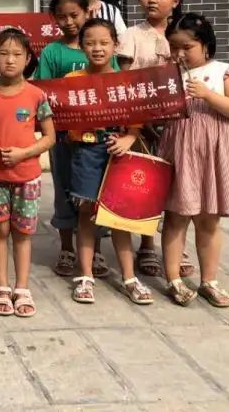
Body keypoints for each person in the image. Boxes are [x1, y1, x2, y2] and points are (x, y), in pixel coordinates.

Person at [161, 14, 229, 307]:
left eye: (187, 47)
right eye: (174, 47)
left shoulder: (225, 72)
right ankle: (174, 279)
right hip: (178, 149)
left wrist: (208, 95)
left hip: (213, 151)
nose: (180, 53)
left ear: (206, 44)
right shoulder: (168, 74)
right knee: (176, 216)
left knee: (209, 218)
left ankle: (209, 280)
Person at [67, 19, 152, 307]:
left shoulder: (126, 82)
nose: (97, 48)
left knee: (119, 216)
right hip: (86, 152)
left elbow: (136, 120)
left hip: (118, 153)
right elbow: (63, 118)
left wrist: (129, 137)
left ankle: (129, 277)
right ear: (81, 46)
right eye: (90, 42)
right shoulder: (72, 80)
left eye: (104, 42)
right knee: (86, 214)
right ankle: (85, 275)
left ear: (115, 45)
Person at [117, 0, 194, 279]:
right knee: (146, 184)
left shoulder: (186, 34)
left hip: (179, 124)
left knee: (180, 186)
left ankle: (177, 246)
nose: (151, 0)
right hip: (141, 123)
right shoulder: (131, 35)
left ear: (175, 1)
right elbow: (124, 81)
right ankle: (147, 244)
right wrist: (138, 123)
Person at [34, 0, 116, 280]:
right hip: (64, 137)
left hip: (99, 140)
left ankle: (96, 249)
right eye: (62, 17)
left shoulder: (102, 49)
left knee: (96, 193)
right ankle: (67, 248)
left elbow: (114, 89)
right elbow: (44, 93)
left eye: (74, 15)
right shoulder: (52, 52)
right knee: (64, 189)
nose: (69, 22)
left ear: (87, 12)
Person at [0, 28, 54, 318]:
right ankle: (2, 287)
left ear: (28, 58)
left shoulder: (36, 95)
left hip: (27, 176)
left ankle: (22, 287)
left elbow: (49, 137)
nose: (10, 60)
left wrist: (24, 153)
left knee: (22, 232)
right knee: (0, 230)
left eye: (17, 54)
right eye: (3, 53)